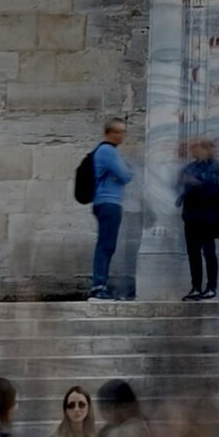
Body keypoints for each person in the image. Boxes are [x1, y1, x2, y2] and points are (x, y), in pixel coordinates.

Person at [87, 117, 134, 301]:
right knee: (106, 245)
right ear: (110, 133)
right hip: (108, 202)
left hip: (106, 201)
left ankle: (100, 285)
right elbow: (126, 175)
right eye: (119, 132)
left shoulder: (106, 151)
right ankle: (98, 286)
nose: (123, 136)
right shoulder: (108, 151)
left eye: (124, 132)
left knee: (107, 244)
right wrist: (125, 171)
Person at [176, 138, 219, 302]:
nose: (192, 150)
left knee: (209, 251)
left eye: (196, 147)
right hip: (192, 214)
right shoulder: (190, 167)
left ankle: (211, 287)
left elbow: (211, 184)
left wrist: (195, 181)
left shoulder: (215, 166)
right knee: (193, 252)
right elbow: (180, 181)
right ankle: (196, 286)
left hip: (208, 215)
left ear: (205, 149)